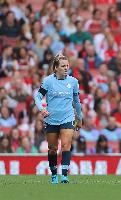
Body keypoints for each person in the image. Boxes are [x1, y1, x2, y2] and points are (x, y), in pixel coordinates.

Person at [34, 53, 83, 184]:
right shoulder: (48, 81)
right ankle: (54, 174)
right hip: (51, 119)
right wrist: (42, 109)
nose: (66, 68)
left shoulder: (73, 82)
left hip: (68, 117)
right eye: (63, 66)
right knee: (52, 148)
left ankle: (65, 175)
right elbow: (38, 97)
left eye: (67, 66)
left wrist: (80, 117)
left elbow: (77, 102)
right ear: (55, 67)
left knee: (66, 145)